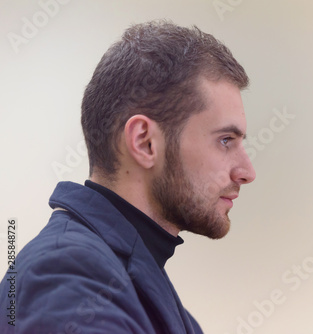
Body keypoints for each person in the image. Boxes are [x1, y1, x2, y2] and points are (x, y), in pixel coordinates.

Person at [0, 20, 256, 333]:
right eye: (225, 140)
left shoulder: (120, 276)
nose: (247, 172)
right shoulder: (68, 279)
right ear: (145, 142)